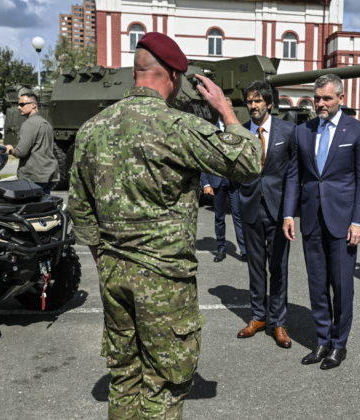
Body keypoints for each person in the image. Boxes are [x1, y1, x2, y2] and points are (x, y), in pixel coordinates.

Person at [68, 32, 261, 419]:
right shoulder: (177, 127)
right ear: (173, 75)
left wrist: (105, 257)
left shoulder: (91, 129)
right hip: (164, 278)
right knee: (165, 382)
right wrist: (226, 110)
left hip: (112, 274)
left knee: (124, 377)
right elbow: (249, 162)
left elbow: (80, 209)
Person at [282, 73, 360, 369]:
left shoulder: (357, 131)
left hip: (343, 221)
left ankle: (338, 344)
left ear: (340, 99)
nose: (320, 103)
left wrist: (358, 221)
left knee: (342, 285)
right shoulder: (303, 131)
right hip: (310, 219)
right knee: (316, 283)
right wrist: (288, 214)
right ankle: (322, 340)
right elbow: (295, 175)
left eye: (326, 98)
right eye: (317, 98)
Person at [236, 80, 296, 348]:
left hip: (278, 210)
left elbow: (295, 172)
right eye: (250, 101)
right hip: (249, 206)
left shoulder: (288, 131)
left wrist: (290, 212)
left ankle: (278, 322)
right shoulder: (239, 132)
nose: (253, 106)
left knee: (278, 267)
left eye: (258, 101)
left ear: (269, 103)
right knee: (255, 267)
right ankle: (258, 317)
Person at [200, 98, 247, 263]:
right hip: (217, 181)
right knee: (219, 217)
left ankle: (244, 250)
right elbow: (205, 159)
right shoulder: (210, 130)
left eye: (230, 106)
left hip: (235, 182)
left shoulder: (239, 129)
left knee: (238, 216)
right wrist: (205, 183)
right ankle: (221, 248)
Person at [4, 93, 59, 193]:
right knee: (44, 205)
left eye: (22, 104)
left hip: (34, 176)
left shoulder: (29, 124)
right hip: (49, 173)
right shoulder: (46, 123)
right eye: (18, 105)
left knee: (30, 207)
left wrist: (9, 149)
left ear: (33, 105)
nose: (19, 108)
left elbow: (21, 152)